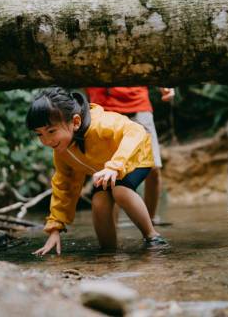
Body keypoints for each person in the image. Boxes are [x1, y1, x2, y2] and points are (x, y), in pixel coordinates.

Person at [27, 87, 167, 256]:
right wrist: (55, 228)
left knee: (120, 191)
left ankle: (152, 237)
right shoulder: (62, 152)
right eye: (39, 134)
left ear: (76, 122)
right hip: (108, 170)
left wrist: (115, 165)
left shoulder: (100, 124)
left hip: (135, 157)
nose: (46, 140)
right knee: (99, 201)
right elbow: (65, 186)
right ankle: (108, 253)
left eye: (51, 131)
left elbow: (136, 131)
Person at [87, 0, 174, 224]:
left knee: (154, 169)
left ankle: (150, 219)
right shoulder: (87, 23)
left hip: (138, 104)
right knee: (110, 174)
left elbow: (151, 59)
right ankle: (113, 230)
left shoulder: (138, 22)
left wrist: (164, 85)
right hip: (103, 110)